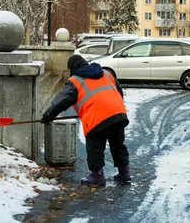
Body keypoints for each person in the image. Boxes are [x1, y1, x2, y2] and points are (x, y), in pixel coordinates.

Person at [41, 55, 131, 186]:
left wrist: (48, 115)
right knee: (118, 143)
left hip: (97, 118)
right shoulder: (106, 73)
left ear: (72, 69)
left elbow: (62, 101)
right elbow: (118, 90)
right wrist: (115, 108)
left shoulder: (75, 81)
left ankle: (97, 176)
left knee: (95, 146)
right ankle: (124, 173)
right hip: (118, 113)